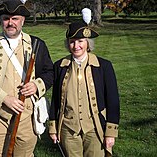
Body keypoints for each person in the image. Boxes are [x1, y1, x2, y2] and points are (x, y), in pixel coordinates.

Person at [0, 0, 53, 156]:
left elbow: (50, 72)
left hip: (27, 118)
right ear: (1, 21)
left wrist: (37, 85)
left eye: (15, 18)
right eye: (6, 18)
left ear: (22, 20)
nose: (10, 23)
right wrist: (4, 98)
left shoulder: (37, 44)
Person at [48, 21, 120, 157]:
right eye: (72, 41)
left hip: (94, 127)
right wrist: (53, 127)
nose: (76, 46)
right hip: (68, 129)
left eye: (80, 41)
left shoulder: (104, 66)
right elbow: (55, 100)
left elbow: (113, 100)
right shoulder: (60, 66)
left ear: (88, 43)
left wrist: (110, 133)